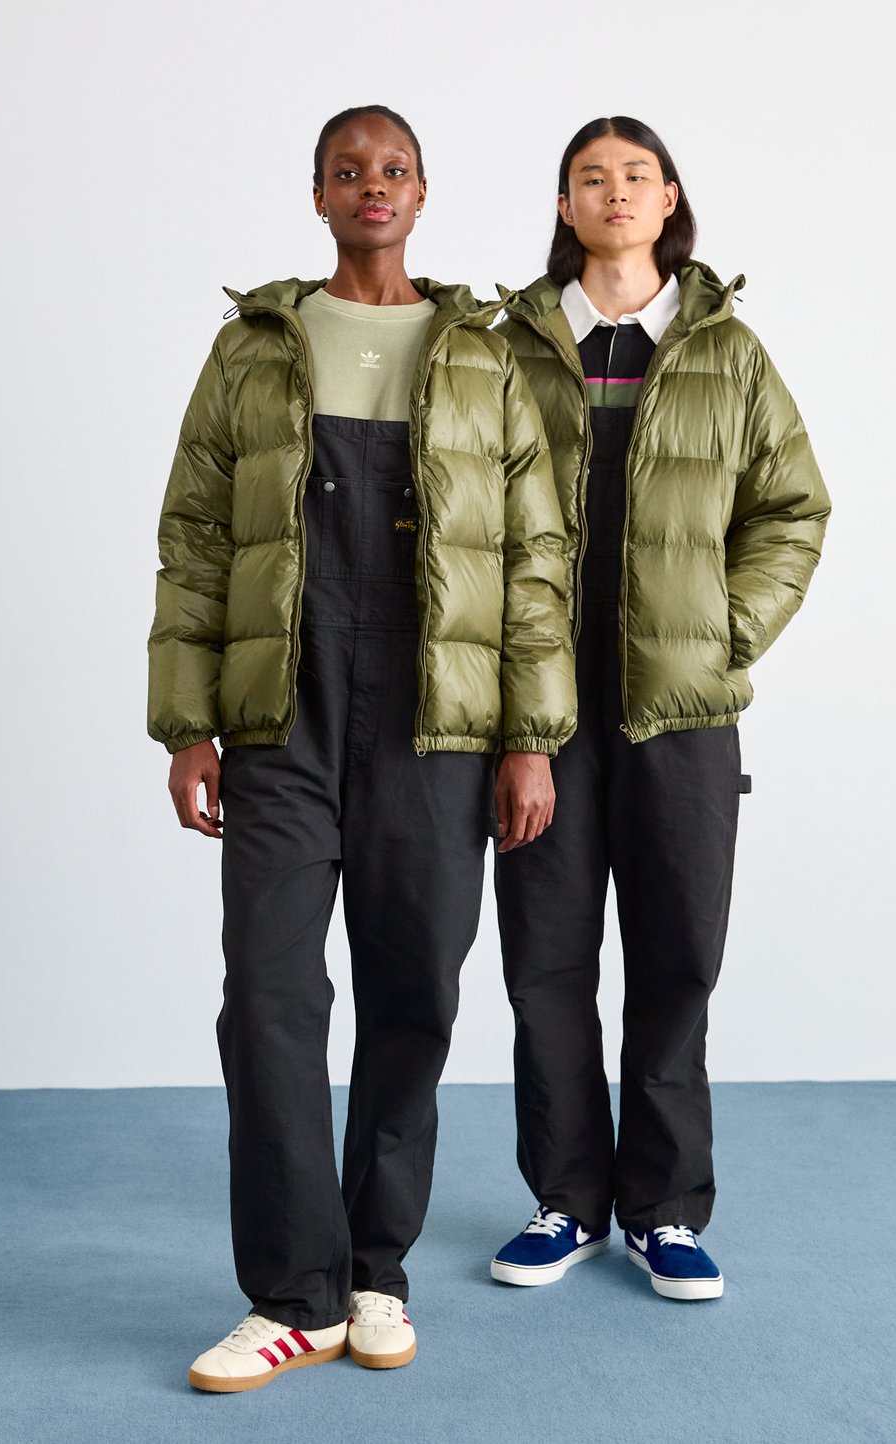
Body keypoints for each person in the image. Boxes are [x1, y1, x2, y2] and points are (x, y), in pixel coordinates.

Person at [147, 104, 576, 1391]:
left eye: (391, 169)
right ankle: (295, 1293)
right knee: (267, 996)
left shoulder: (480, 354)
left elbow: (533, 558)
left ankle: (375, 1267)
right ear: (319, 195)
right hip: (279, 709)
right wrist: (187, 721)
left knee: (414, 993)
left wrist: (529, 738)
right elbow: (196, 537)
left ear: (422, 193)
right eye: (348, 170)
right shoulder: (252, 346)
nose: (370, 186)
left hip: (435, 716)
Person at [490, 117, 830, 1301]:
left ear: (669, 197)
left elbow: (793, 507)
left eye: (636, 175)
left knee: (678, 954)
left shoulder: (726, 350)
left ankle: (666, 1210)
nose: (615, 192)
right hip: (539, 708)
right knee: (545, 957)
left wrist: (721, 634)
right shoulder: (509, 348)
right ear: (565, 205)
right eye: (591, 178)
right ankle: (565, 1200)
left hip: (680, 712)